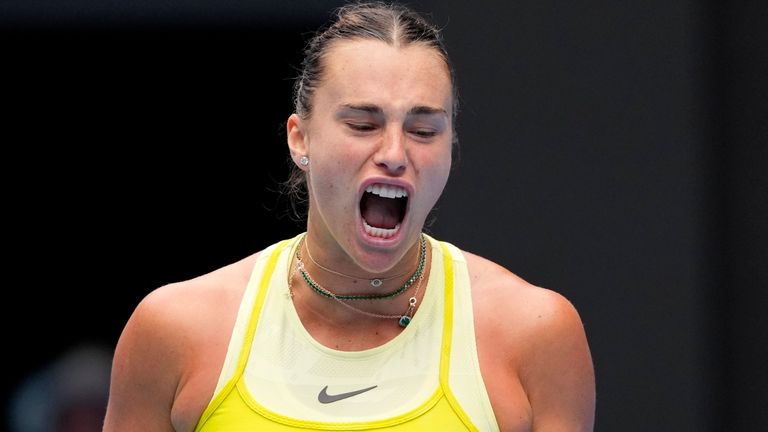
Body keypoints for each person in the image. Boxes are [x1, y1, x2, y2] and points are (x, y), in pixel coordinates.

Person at [103, 2, 595, 431]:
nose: (395, 153)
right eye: (363, 124)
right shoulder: (173, 330)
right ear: (300, 138)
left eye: (425, 130)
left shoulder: (536, 334)